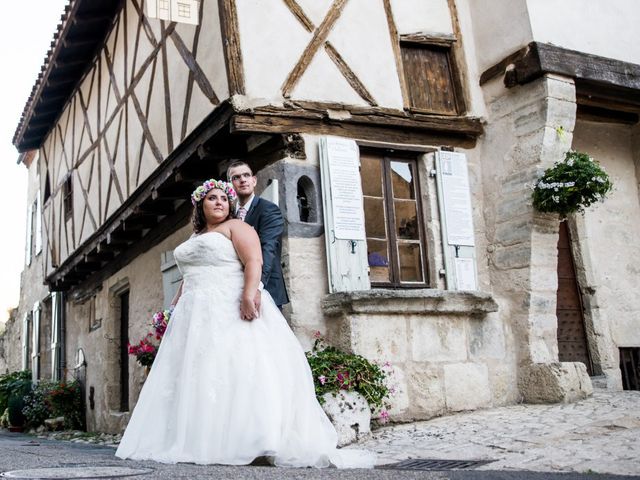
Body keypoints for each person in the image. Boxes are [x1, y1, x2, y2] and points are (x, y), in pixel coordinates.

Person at [115, 179, 374, 468]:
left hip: (229, 302)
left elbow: (254, 261)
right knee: (198, 372)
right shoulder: (196, 235)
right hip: (195, 311)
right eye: (212, 198)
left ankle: (253, 438)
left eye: (224, 199)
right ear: (200, 204)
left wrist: (249, 294)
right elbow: (189, 276)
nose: (219, 202)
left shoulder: (237, 227)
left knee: (238, 366)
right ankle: (201, 439)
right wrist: (173, 307)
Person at [227, 161, 289, 309]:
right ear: (230, 185)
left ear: (254, 180)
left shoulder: (268, 210)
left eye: (246, 175)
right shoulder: (228, 216)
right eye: (236, 177)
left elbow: (268, 249)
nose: (242, 180)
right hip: (235, 288)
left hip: (266, 288)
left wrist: (256, 288)